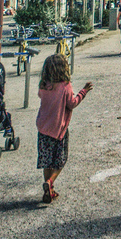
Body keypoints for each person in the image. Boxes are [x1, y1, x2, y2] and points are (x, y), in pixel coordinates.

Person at [36, 54, 92, 203]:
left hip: (43, 128)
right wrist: (83, 91)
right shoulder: (65, 86)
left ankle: (50, 190)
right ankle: (50, 183)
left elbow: (41, 96)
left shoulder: (44, 85)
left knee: (47, 161)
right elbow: (72, 103)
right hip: (58, 129)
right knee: (60, 160)